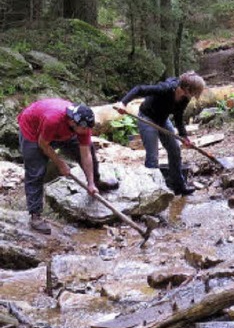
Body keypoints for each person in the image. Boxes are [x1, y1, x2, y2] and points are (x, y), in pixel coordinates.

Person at [18, 99, 119, 234]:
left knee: (90, 152)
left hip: (61, 132)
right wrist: (60, 164)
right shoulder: (53, 120)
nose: (86, 131)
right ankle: (35, 215)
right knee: (36, 172)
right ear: (72, 122)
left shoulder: (83, 124)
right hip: (33, 131)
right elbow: (43, 144)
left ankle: (96, 183)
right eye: (83, 129)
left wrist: (90, 183)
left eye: (87, 129)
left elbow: (86, 154)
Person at [116, 71, 205, 196]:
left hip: (163, 120)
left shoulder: (184, 98)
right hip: (147, 118)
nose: (194, 96)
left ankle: (179, 187)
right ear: (186, 88)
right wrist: (123, 103)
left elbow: (178, 117)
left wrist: (184, 137)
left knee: (175, 150)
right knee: (153, 156)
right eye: (194, 92)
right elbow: (139, 89)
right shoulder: (165, 89)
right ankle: (152, 192)